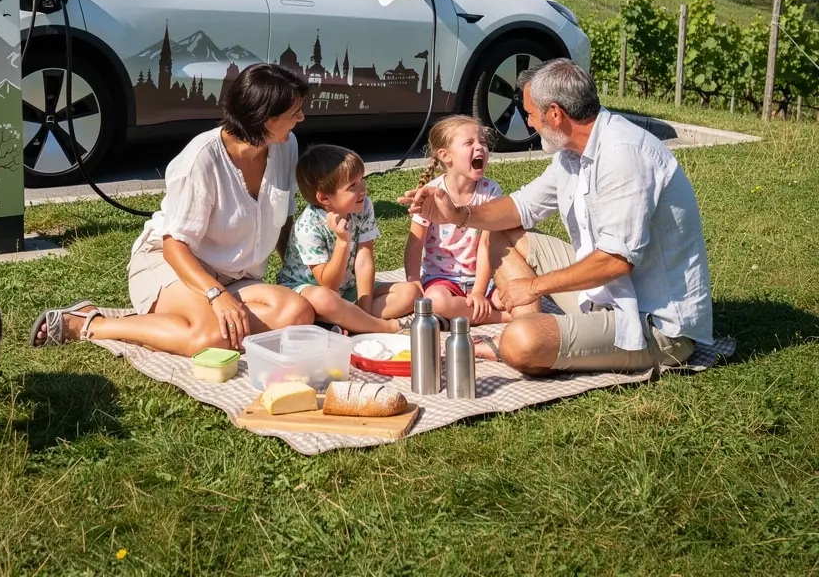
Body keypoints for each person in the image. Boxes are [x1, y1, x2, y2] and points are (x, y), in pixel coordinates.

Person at [398, 59, 713, 374]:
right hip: (607, 294)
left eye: (531, 114)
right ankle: (542, 327)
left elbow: (615, 261)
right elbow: (520, 207)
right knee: (501, 232)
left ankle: (531, 335)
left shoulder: (623, 155)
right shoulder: (572, 154)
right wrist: (458, 214)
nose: (530, 124)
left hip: (652, 324)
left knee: (520, 343)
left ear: (555, 113)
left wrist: (534, 287)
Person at [30, 63, 315, 356]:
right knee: (213, 338)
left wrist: (299, 273)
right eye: (294, 113)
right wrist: (215, 294)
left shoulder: (285, 144)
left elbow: (284, 216)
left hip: (236, 277)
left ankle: (184, 324)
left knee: (298, 313)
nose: (301, 118)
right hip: (174, 267)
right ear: (265, 119)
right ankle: (93, 323)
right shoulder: (201, 160)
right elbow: (173, 246)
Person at [277, 145, 417, 334]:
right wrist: (343, 242)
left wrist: (365, 309)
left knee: (410, 293)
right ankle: (383, 326)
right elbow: (329, 285)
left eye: (362, 180)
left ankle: (353, 321)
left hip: (347, 288)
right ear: (324, 198)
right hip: (308, 291)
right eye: (353, 185)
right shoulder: (308, 226)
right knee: (325, 299)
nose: (363, 189)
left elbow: (364, 259)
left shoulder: (363, 206)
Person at [405, 115, 511, 325]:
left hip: (482, 279)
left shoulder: (490, 191)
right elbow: (415, 243)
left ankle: (465, 314)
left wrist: (479, 292)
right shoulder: (430, 194)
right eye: (469, 143)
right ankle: (500, 318)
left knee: (511, 296)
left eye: (482, 141)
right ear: (445, 155)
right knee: (434, 301)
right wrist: (414, 282)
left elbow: (486, 245)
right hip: (443, 279)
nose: (480, 147)